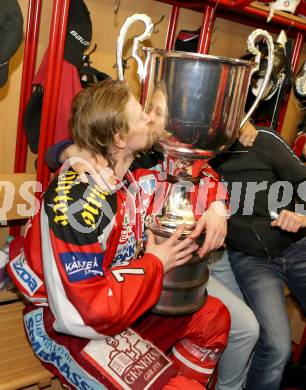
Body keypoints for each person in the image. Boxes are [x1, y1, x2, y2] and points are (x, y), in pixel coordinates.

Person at [8, 79, 231, 390]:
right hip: (67, 325)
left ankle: (164, 377)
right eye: (143, 114)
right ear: (120, 136)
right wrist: (154, 263)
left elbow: (197, 166)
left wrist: (218, 203)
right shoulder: (78, 202)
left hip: (116, 304)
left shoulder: (128, 167)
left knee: (212, 317)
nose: (151, 120)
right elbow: (85, 312)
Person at [210, 120, 306, 390]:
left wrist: (301, 214)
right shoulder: (201, 157)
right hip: (251, 260)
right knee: (276, 346)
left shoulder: (263, 141)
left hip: (297, 246)